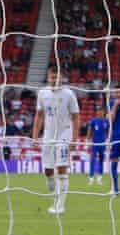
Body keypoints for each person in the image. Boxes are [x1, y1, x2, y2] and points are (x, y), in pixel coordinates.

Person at [32, 69, 79, 214]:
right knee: (48, 170)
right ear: (48, 78)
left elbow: (76, 117)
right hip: (48, 135)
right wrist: (35, 136)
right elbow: (39, 116)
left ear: (62, 78)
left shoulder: (69, 94)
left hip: (64, 133)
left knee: (62, 168)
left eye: (57, 77)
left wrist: (74, 139)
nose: (54, 80)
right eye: (52, 77)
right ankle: (53, 188)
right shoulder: (42, 93)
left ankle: (60, 206)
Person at [87, 106, 108, 185]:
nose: (99, 112)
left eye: (101, 111)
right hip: (95, 143)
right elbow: (89, 130)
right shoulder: (93, 121)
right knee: (93, 160)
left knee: (101, 160)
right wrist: (88, 140)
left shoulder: (106, 121)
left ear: (103, 112)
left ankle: (99, 178)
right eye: (98, 111)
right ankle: (91, 178)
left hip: (103, 144)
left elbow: (108, 131)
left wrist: (107, 140)